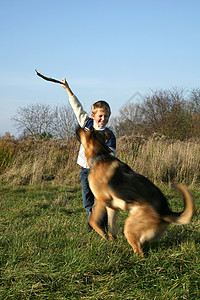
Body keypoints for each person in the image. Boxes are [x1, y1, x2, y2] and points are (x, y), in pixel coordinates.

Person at [60, 78, 116, 230]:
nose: (103, 119)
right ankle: (93, 222)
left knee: (100, 200)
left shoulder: (109, 135)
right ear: (93, 115)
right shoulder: (87, 124)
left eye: (106, 117)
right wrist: (67, 89)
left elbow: (112, 156)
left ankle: (98, 226)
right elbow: (77, 107)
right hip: (84, 170)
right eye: (100, 116)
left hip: (99, 174)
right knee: (88, 201)